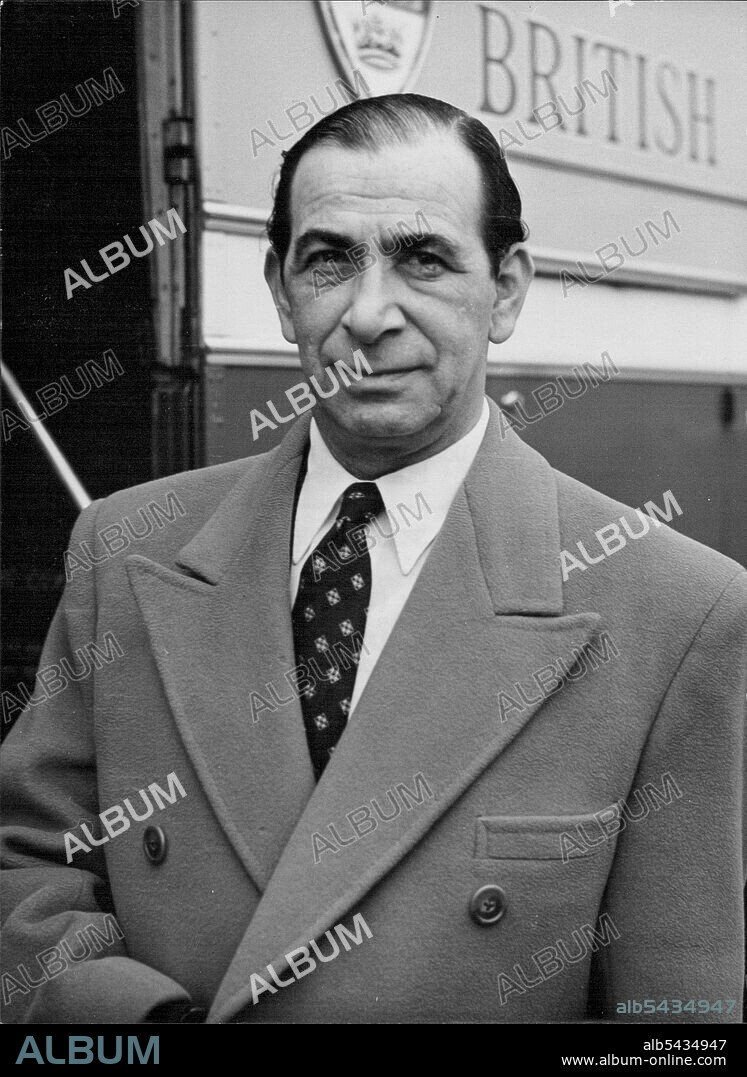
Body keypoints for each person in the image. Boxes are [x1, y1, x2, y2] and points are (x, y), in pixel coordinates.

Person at [2, 94, 745, 1025]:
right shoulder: (125, 550)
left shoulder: (679, 612)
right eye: (328, 259)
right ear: (279, 289)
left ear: (506, 289)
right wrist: (138, 1022)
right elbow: (25, 868)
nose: (368, 313)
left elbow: (675, 1025)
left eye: (423, 259)